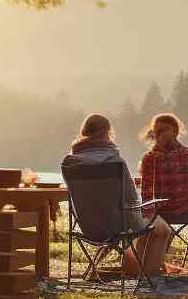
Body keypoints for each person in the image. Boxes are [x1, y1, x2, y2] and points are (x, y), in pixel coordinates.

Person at [62, 113, 173, 276]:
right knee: (162, 228)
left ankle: (136, 270)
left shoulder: (69, 161)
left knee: (148, 227)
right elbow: (132, 199)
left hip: (87, 227)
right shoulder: (114, 161)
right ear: (107, 133)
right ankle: (147, 275)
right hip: (115, 226)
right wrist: (143, 213)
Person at [138, 112, 188, 271]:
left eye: (164, 130)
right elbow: (147, 192)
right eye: (156, 132)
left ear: (175, 132)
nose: (159, 135)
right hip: (160, 214)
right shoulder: (150, 158)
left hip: (182, 209)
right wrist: (149, 218)